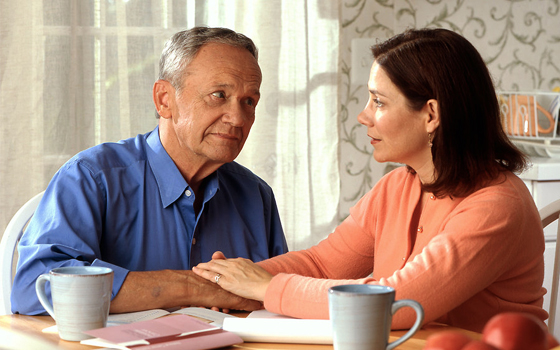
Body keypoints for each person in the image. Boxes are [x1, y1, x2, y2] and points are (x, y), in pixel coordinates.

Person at [193, 28, 548, 333]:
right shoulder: (396, 187)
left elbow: (397, 303)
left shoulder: (497, 206)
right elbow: (322, 265)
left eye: (378, 101)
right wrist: (235, 280)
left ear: (430, 115)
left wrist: (266, 287)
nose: (363, 116)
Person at [12, 27, 288, 315]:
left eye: (249, 101)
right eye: (219, 95)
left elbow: (281, 296)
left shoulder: (257, 195)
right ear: (164, 100)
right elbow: (34, 289)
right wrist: (192, 288)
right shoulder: (90, 177)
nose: (238, 118)